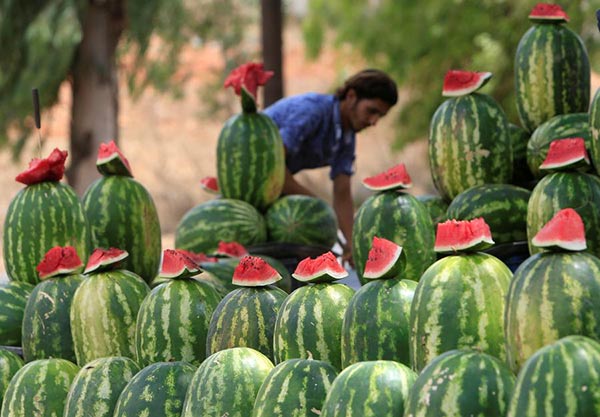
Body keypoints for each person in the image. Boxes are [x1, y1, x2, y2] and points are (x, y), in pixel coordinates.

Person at [263, 69, 398, 267]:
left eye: (380, 116)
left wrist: (352, 245)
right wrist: (316, 204)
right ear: (351, 96)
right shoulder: (311, 111)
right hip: (253, 176)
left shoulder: (347, 137)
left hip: (272, 186)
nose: (374, 122)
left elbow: (342, 193)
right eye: (372, 111)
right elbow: (271, 168)